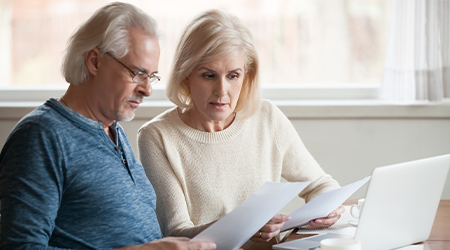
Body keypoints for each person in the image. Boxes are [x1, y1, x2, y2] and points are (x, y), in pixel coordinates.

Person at [0, 2, 216, 250]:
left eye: (152, 76)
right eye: (137, 73)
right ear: (94, 61)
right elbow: (20, 247)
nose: (147, 89)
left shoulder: (114, 131)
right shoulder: (41, 136)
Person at [137, 9, 344, 250]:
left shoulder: (267, 118)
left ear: (246, 76)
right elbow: (176, 233)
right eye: (208, 75)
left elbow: (322, 185)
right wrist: (241, 224)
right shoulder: (157, 137)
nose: (222, 90)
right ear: (186, 76)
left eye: (233, 76)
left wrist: (327, 209)